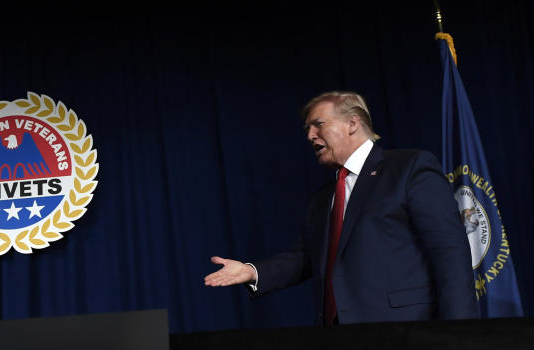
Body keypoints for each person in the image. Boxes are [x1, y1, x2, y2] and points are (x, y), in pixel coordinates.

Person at [204, 91, 477, 325]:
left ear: (352, 123)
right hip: (338, 343)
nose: (310, 136)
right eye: (307, 130)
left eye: (318, 124)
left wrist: (458, 332)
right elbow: (304, 259)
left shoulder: (409, 168)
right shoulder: (323, 198)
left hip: (405, 330)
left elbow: (448, 250)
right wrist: (252, 271)